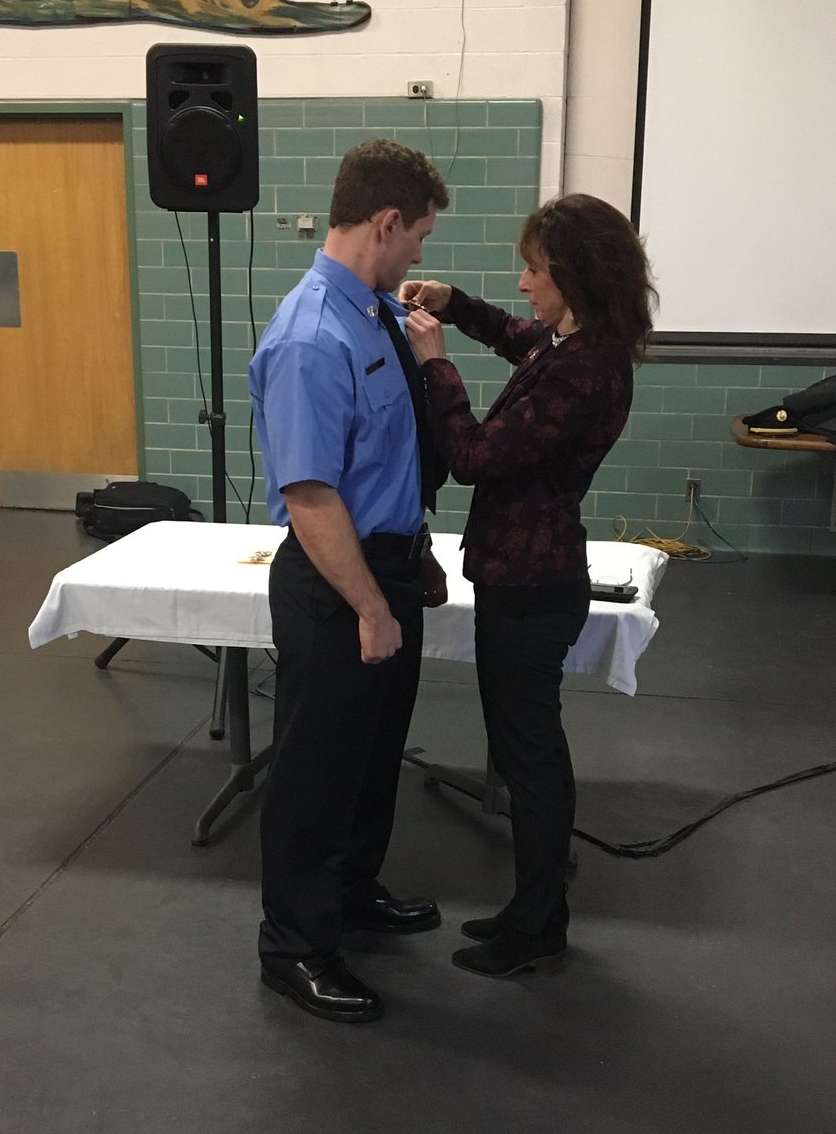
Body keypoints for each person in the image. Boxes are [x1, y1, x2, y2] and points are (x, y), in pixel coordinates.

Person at [402, 193, 657, 978]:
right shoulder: (574, 343)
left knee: (530, 756)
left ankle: (539, 923)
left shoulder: (588, 369)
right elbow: (519, 337)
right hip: (526, 576)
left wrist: (436, 363)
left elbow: (477, 456)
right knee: (525, 748)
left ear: (571, 275)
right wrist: (454, 304)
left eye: (534, 269)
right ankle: (532, 910)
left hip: (532, 584)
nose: (523, 284)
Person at [248, 140, 450, 1022]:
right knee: (315, 773)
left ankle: (352, 894)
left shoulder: (369, 312)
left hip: (388, 568)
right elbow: (312, 494)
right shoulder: (310, 337)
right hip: (338, 585)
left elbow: (387, 460)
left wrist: (414, 554)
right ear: (386, 221)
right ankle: (295, 946)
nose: (419, 256)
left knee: (370, 759)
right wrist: (369, 602)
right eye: (419, 237)